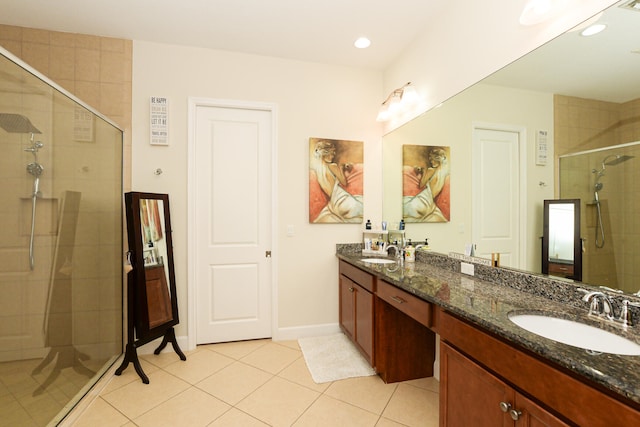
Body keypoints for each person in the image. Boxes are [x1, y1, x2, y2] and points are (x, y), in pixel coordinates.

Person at [310, 139, 363, 223]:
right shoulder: (333, 166)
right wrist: (341, 167)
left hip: (334, 205)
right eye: (332, 153)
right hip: (343, 200)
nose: (333, 156)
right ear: (326, 154)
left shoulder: (319, 171)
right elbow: (344, 182)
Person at [403, 146, 449, 222]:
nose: (431, 162)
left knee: (403, 206)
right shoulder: (444, 173)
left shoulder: (431, 170)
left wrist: (423, 171)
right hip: (430, 205)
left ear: (436, 159)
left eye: (432, 159)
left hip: (422, 201)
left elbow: (421, 184)